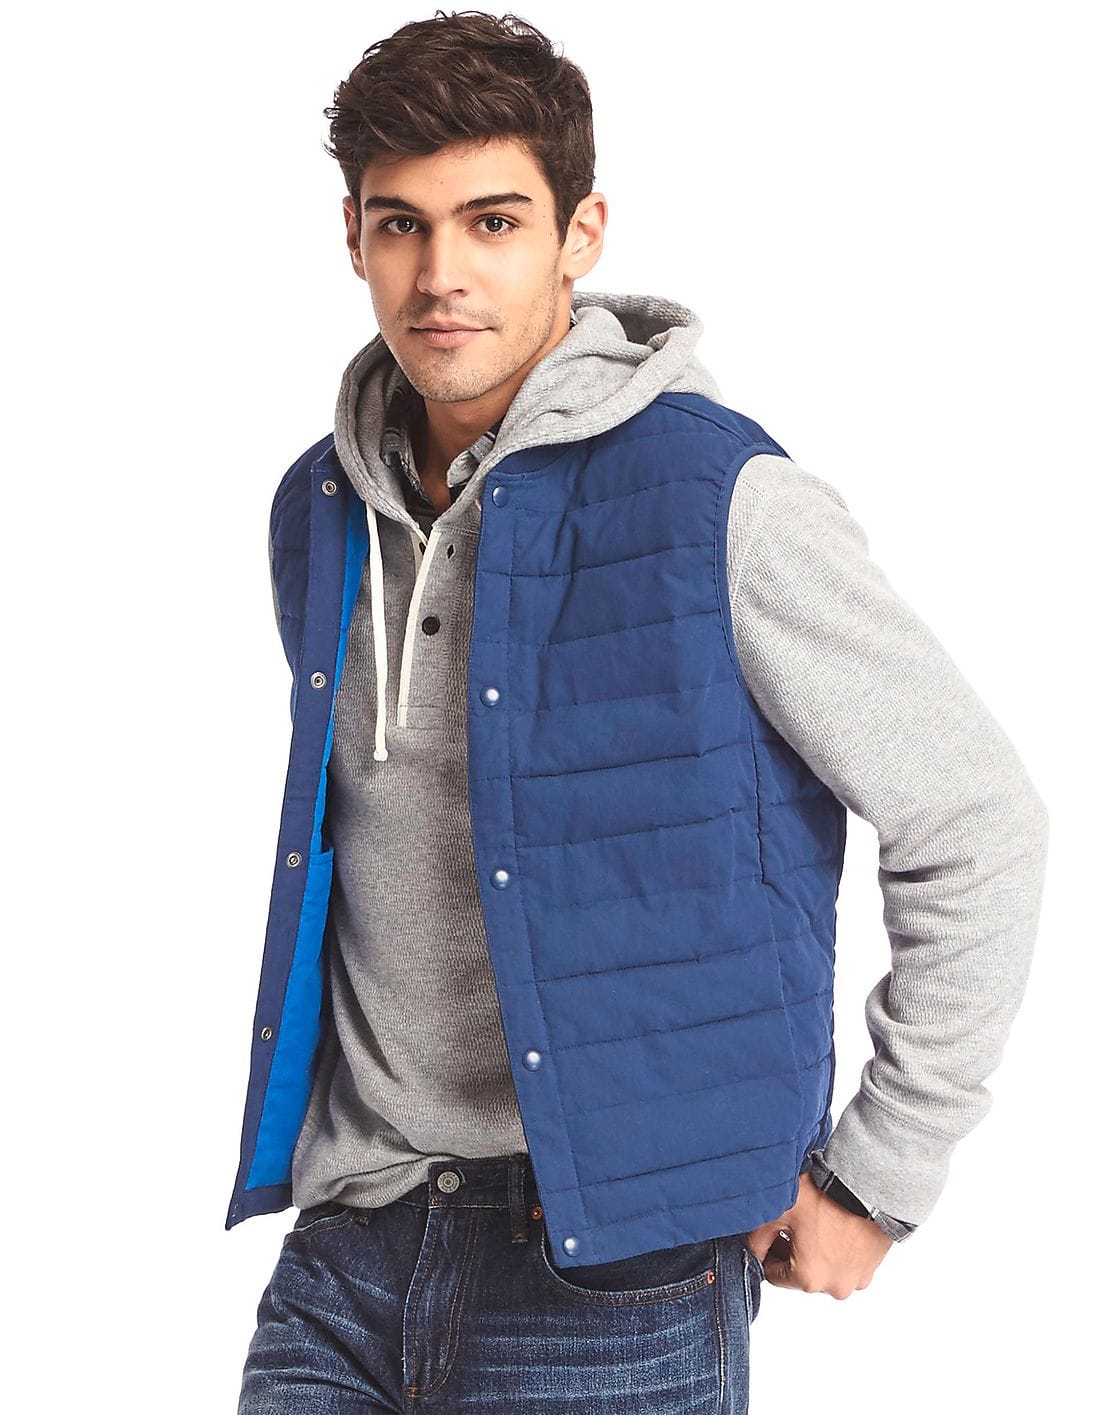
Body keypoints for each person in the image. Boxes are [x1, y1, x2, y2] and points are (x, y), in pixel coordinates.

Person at [231, 11, 1050, 1412]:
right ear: (352, 239)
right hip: (348, 1247)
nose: (440, 273)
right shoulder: (320, 508)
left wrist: (881, 1174)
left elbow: (976, 821)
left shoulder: (719, 499)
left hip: (610, 1278)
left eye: (493, 222)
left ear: (581, 232)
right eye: (400, 225)